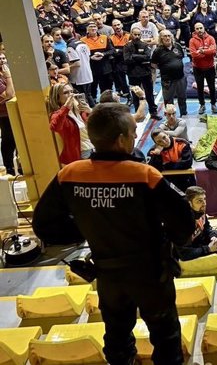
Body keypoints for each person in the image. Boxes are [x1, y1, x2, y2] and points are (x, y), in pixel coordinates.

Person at [33, 103, 195, 365]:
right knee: (165, 338)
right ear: (121, 140)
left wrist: (86, 230)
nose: (134, 138)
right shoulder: (144, 175)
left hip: (108, 274)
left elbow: (43, 225)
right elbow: (184, 225)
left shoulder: (70, 174)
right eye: (132, 133)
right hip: (150, 274)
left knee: (117, 337)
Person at [176, 186, 217, 262]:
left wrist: (212, 237)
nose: (204, 203)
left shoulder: (199, 209)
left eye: (204, 199)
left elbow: (207, 227)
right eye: (199, 201)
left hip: (201, 238)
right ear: (189, 203)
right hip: (192, 248)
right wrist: (208, 249)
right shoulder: (182, 223)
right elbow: (184, 254)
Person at [48, 83, 94, 164]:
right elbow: (54, 127)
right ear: (57, 98)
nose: (71, 95)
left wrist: (91, 111)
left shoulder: (80, 108)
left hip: (94, 147)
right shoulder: (58, 114)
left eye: (71, 91)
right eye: (66, 93)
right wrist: (66, 107)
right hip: (81, 153)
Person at [124, 27, 160, 120]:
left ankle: (153, 112)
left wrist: (134, 56)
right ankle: (138, 113)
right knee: (135, 94)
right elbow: (127, 59)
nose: (137, 36)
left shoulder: (145, 45)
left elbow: (148, 57)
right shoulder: (127, 46)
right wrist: (140, 58)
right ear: (131, 34)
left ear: (141, 35)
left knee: (149, 94)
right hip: (132, 74)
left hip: (145, 73)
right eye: (135, 34)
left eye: (138, 34)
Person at [151, 30, 187, 116]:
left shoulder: (177, 46)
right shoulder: (158, 50)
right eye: (165, 36)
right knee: (168, 100)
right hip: (167, 80)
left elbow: (181, 57)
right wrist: (164, 68)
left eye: (169, 35)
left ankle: (184, 113)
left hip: (180, 78)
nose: (167, 38)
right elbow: (153, 64)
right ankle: (170, 117)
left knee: (182, 97)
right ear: (161, 38)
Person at [189, 23, 217, 115]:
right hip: (198, 68)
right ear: (195, 30)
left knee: (212, 87)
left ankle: (213, 104)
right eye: (197, 28)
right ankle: (202, 104)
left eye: (201, 28)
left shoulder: (211, 38)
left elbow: (213, 51)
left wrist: (201, 51)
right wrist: (206, 52)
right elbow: (194, 54)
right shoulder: (192, 40)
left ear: (204, 28)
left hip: (210, 67)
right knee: (200, 88)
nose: (199, 30)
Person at [0, 54, 17, 175]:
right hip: (4, 114)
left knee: (18, 141)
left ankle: (20, 166)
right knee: (9, 141)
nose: (2, 61)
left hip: (16, 111)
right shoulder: (7, 75)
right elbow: (9, 94)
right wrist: (9, 77)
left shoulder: (8, 72)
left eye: (3, 58)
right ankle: (9, 168)